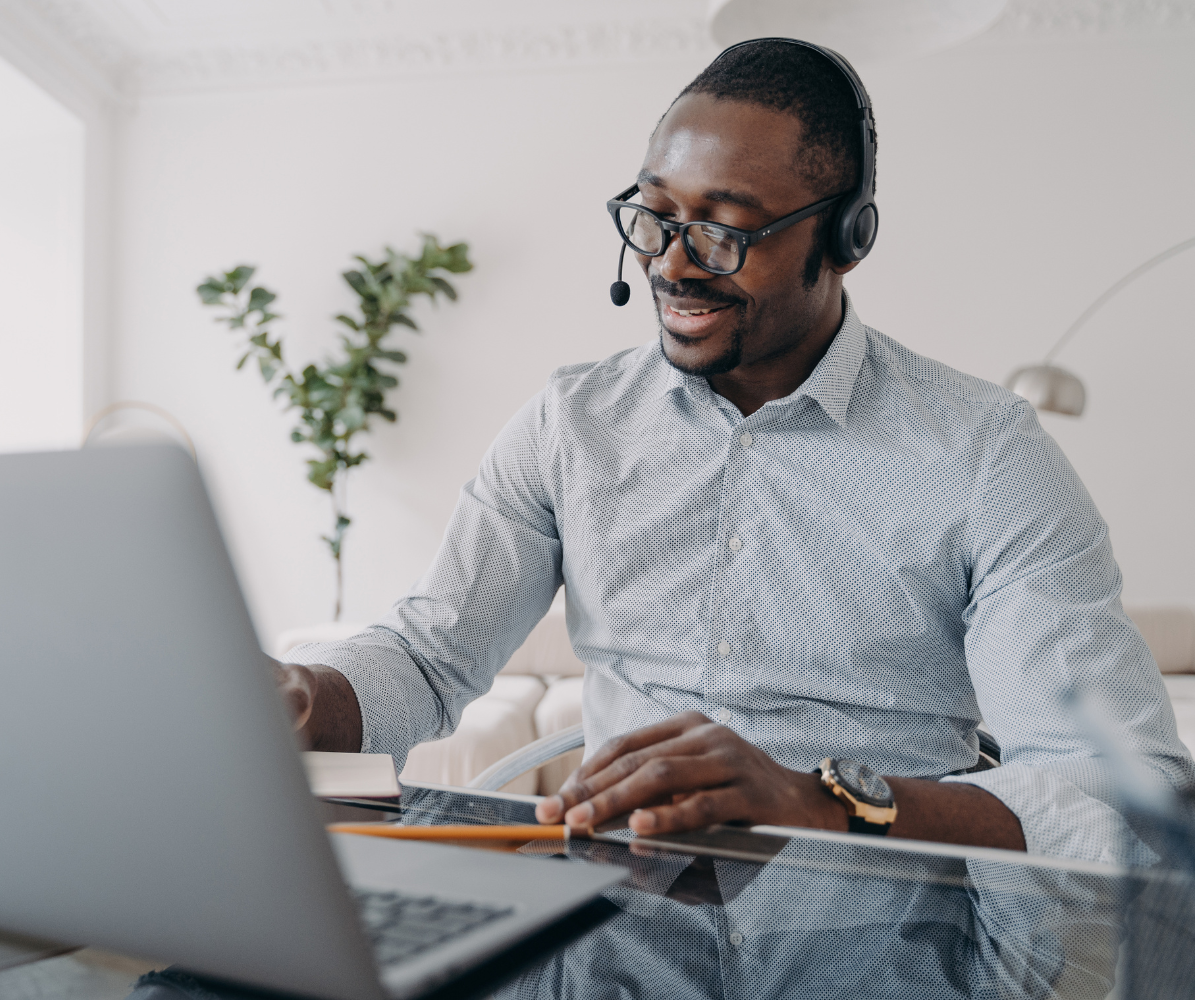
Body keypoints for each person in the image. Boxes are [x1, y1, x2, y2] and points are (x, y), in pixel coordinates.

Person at [273, 39, 1192, 859]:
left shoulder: (987, 455)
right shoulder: (570, 424)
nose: (672, 261)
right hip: (618, 905)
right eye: (656, 215)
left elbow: (1130, 795)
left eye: (722, 227)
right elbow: (432, 655)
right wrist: (310, 697)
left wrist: (820, 803)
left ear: (845, 238)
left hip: (891, 920)